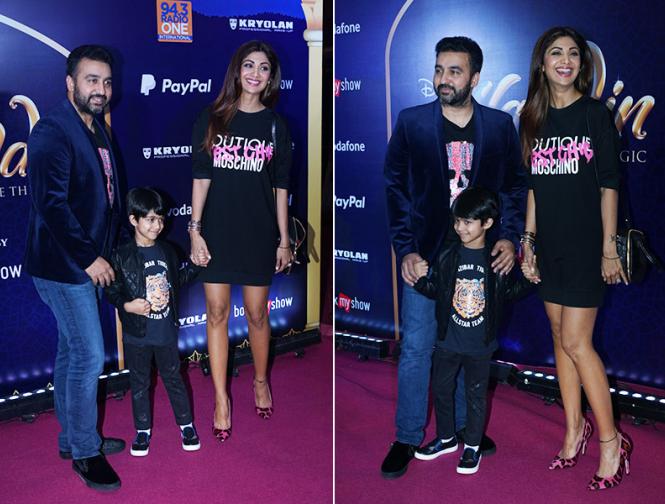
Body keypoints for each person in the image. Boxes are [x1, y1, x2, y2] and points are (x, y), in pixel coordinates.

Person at [382, 35, 526, 479]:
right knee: (417, 349)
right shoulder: (411, 122)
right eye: (439, 69)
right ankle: (407, 436)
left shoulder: (499, 126)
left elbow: (513, 188)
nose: (443, 79)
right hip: (426, 258)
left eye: (455, 71)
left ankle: (465, 428)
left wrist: (509, 238)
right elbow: (395, 188)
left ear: (475, 78)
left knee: (468, 347)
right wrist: (406, 249)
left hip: (478, 258)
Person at [519, 26, 631, 491]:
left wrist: (609, 247)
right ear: (542, 63)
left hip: (587, 246)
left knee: (577, 341)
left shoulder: (594, 115)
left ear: (582, 64)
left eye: (572, 54)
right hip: (550, 246)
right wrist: (528, 241)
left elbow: (609, 185)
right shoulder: (532, 117)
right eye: (555, 53)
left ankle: (611, 442)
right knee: (557, 337)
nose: (564, 61)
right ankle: (573, 430)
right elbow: (533, 186)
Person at [25, 45, 124, 491]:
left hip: (82, 263)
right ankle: (85, 452)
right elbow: (51, 204)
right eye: (91, 80)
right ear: (70, 83)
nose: (100, 89)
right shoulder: (52, 130)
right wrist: (89, 257)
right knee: (87, 355)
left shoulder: (95, 127)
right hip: (63, 266)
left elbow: (104, 196)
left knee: (71, 351)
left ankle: (72, 439)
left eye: (106, 81)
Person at [189, 40, 293, 442]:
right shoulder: (212, 117)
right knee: (216, 313)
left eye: (263, 68)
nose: (255, 73)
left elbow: (280, 189)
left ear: (271, 77)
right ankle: (221, 399)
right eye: (249, 65)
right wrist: (195, 231)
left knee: (257, 315)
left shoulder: (275, 126)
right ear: (237, 70)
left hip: (258, 232)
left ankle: (260, 380)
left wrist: (284, 240)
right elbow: (201, 179)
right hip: (217, 231)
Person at [412, 188, 531, 475]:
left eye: (467, 222)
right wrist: (419, 281)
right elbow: (439, 291)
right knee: (441, 390)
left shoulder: (497, 260)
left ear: (487, 223)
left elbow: (509, 293)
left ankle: (473, 447)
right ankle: (446, 439)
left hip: (480, 346)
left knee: (475, 396)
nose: (460, 228)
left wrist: (530, 279)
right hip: (448, 341)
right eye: (457, 221)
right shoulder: (448, 255)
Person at [105, 188, 201, 457]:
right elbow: (111, 290)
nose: (157, 225)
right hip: (136, 335)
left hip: (165, 331)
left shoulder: (168, 251)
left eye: (160, 219)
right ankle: (142, 430)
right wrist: (128, 305)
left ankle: (187, 426)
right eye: (150, 219)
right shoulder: (122, 255)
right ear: (133, 220)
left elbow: (178, 282)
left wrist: (197, 266)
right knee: (139, 383)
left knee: (174, 379)